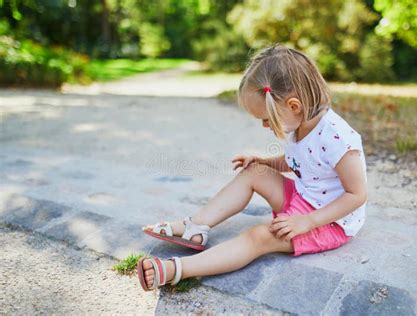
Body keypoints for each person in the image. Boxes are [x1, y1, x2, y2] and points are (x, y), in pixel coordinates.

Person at [137, 43, 368, 291]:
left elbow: (357, 194)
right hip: (304, 199)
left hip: (329, 222)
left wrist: (308, 221)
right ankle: (195, 227)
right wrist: (265, 162)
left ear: (293, 105)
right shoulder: (300, 123)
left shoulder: (338, 138)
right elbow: (300, 160)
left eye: (266, 119)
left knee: (259, 236)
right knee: (254, 172)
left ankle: (176, 270)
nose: (265, 126)